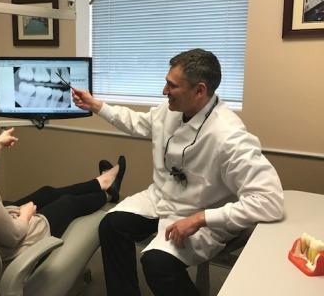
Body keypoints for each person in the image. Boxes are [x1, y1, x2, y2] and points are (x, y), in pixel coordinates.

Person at [72, 48, 284, 296]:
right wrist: (97, 105)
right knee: (111, 225)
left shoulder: (229, 136)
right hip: (161, 198)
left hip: (200, 214)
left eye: (171, 86)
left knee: (157, 263)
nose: (164, 92)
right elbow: (139, 123)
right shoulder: (170, 111)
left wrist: (200, 218)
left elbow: (270, 202)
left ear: (199, 91)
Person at [0, 97, 126, 262]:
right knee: (67, 203)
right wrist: (26, 214)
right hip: (11, 247)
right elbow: (14, 237)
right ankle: (106, 195)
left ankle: (101, 182)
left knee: (46, 192)